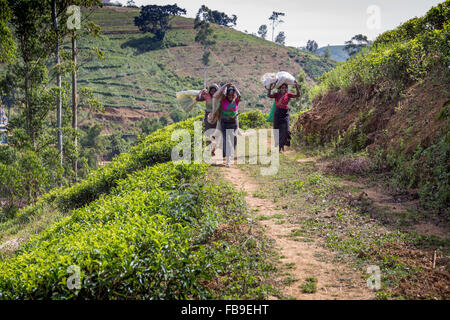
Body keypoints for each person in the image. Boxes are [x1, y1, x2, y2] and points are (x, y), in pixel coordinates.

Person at [213, 83, 241, 167]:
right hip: (225, 123)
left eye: (232, 94)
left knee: (234, 139)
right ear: (227, 94)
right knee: (228, 141)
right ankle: (228, 161)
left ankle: (229, 154)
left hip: (234, 123)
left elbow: (239, 95)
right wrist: (226, 87)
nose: (231, 96)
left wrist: (235, 87)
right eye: (229, 94)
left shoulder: (236, 100)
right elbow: (221, 94)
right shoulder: (223, 100)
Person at [267, 81, 300, 152]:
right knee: (277, 130)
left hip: (285, 113)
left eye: (285, 88)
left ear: (287, 89)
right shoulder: (276, 95)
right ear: (280, 88)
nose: (284, 89)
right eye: (282, 88)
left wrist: (296, 86)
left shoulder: (288, 95)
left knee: (286, 131)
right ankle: (279, 147)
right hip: (277, 113)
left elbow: (298, 95)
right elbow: (269, 95)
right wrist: (270, 87)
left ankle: (282, 145)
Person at [196, 84, 219, 155]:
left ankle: (213, 149)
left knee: (215, 134)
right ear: (210, 91)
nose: (213, 92)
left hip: (216, 116)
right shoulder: (207, 96)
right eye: (212, 91)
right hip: (208, 115)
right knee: (207, 133)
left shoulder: (219, 97)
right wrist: (201, 92)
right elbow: (197, 99)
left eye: (215, 91)